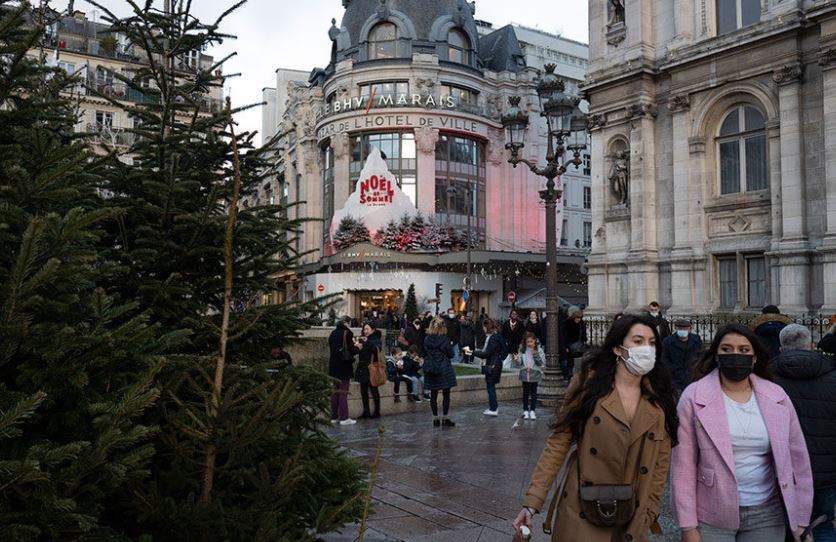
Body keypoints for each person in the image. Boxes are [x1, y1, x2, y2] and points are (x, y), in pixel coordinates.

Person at [512, 315, 678, 542]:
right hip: (582, 508)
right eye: (638, 341)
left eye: (651, 343)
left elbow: (661, 461)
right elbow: (558, 443)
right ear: (618, 349)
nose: (646, 349)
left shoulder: (660, 397)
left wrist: (649, 509)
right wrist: (532, 503)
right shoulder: (587, 385)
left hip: (633, 514)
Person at [672, 323, 813, 542]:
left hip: (766, 512)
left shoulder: (777, 396)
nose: (735, 355)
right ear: (716, 355)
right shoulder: (693, 396)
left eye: (744, 350)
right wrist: (688, 526)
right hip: (712, 513)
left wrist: (801, 518)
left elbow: (798, 460)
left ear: (754, 357)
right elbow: (683, 466)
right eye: (727, 349)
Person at [772, 324, 836, 542]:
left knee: (782, 526)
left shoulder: (767, 381)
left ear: (781, 349)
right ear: (810, 347)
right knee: (822, 523)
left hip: (783, 470)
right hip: (826, 470)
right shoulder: (833, 377)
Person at [423, 317, 457, 427]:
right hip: (444, 369)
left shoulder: (427, 339)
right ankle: (445, 418)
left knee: (433, 394)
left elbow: (424, 352)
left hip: (431, 368)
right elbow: (451, 354)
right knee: (446, 394)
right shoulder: (445, 339)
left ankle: (435, 419)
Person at [472, 318, 507, 416]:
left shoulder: (492, 338)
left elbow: (486, 353)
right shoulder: (498, 337)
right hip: (496, 363)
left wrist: (472, 352)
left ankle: (493, 409)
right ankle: (493, 407)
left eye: (484, 326)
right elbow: (505, 350)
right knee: (491, 387)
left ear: (487, 327)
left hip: (492, 365)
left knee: (490, 387)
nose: (483, 328)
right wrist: (500, 357)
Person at [328, 316, 358, 425]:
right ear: (346, 323)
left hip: (333, 366)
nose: (350, 325)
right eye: (349, 323)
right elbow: (351, 350)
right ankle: (344, 418)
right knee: (343, 392)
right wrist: (358, 347)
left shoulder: (333, 333)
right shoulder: (347, 333)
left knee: (335, 392)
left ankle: (334, 416)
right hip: (344, 366)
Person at [661, 319, 703, 394]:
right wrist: (672, 370)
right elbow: (664, 359)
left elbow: (700, 356)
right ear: (675, 328)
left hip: (692, 377)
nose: (683, 330)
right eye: (680, 328)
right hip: (675, 379)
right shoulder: (668, 341)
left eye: (685, 328)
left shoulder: (696, 339)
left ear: (690, 329)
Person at [354, 322, 383, 419]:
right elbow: (359, 352)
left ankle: (377, 411)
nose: (365, 331)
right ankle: (366, 411)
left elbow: (377, 350)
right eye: (364, 329)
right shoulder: (362, 339)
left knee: (374, 389)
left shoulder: (375, 339)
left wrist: (368, 342)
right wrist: (357, 346)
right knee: (363, 391)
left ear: (372, 330)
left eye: (367, 329)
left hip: (371, 368)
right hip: (362, 367)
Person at [516, 332, 544, 420]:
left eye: (531, 341)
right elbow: (519, 363)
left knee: (533, 393)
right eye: (528, 342)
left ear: (535, 341)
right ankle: (525, 410)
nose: (529, 343)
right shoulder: (522, 349)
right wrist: (517, 359)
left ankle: (532, 410)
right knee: (525, 393)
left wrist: (535, 353)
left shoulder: (539, 350)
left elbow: (540, 363)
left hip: (534, 374)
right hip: (525, 373)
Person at [561, 306, 587, 380]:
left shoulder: (582, 323)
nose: (578, 320)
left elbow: (583, 333)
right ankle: (570, 375)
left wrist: (584, 340)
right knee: (570, 361)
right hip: (570, 344)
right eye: (577, 318)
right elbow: (564, 336)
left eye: (579, 318)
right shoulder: (567, 323)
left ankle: (577, 375)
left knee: (579, 360)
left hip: (579, 344)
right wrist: (566, 346)